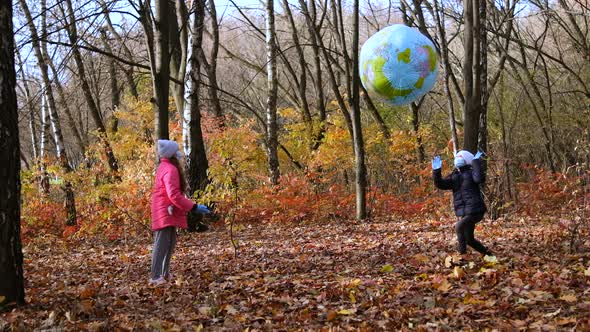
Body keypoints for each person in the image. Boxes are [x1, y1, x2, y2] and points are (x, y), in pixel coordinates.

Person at [150, 139, 210, 285]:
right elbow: (174, 195)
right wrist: (194, 207)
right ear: (171, 155)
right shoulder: (170, 169)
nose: (179, 156)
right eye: (176, 153)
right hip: (165, 210)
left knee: (169, 242)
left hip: (168, 209)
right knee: (162, 243)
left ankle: (164, 273)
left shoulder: (165, 166)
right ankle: (155, 276)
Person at [432, 150, 492, 259]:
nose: (458, 159)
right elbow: (441, 184)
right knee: (469, 239)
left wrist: (476, 162)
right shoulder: (454, 176)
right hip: (465, 212)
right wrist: (436, 171)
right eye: (457, 157)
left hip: (476, 210)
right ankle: (489, 255)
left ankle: (462, 257)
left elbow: (479, 178)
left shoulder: (472, 173)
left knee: (459, 227)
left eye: (461, 157)